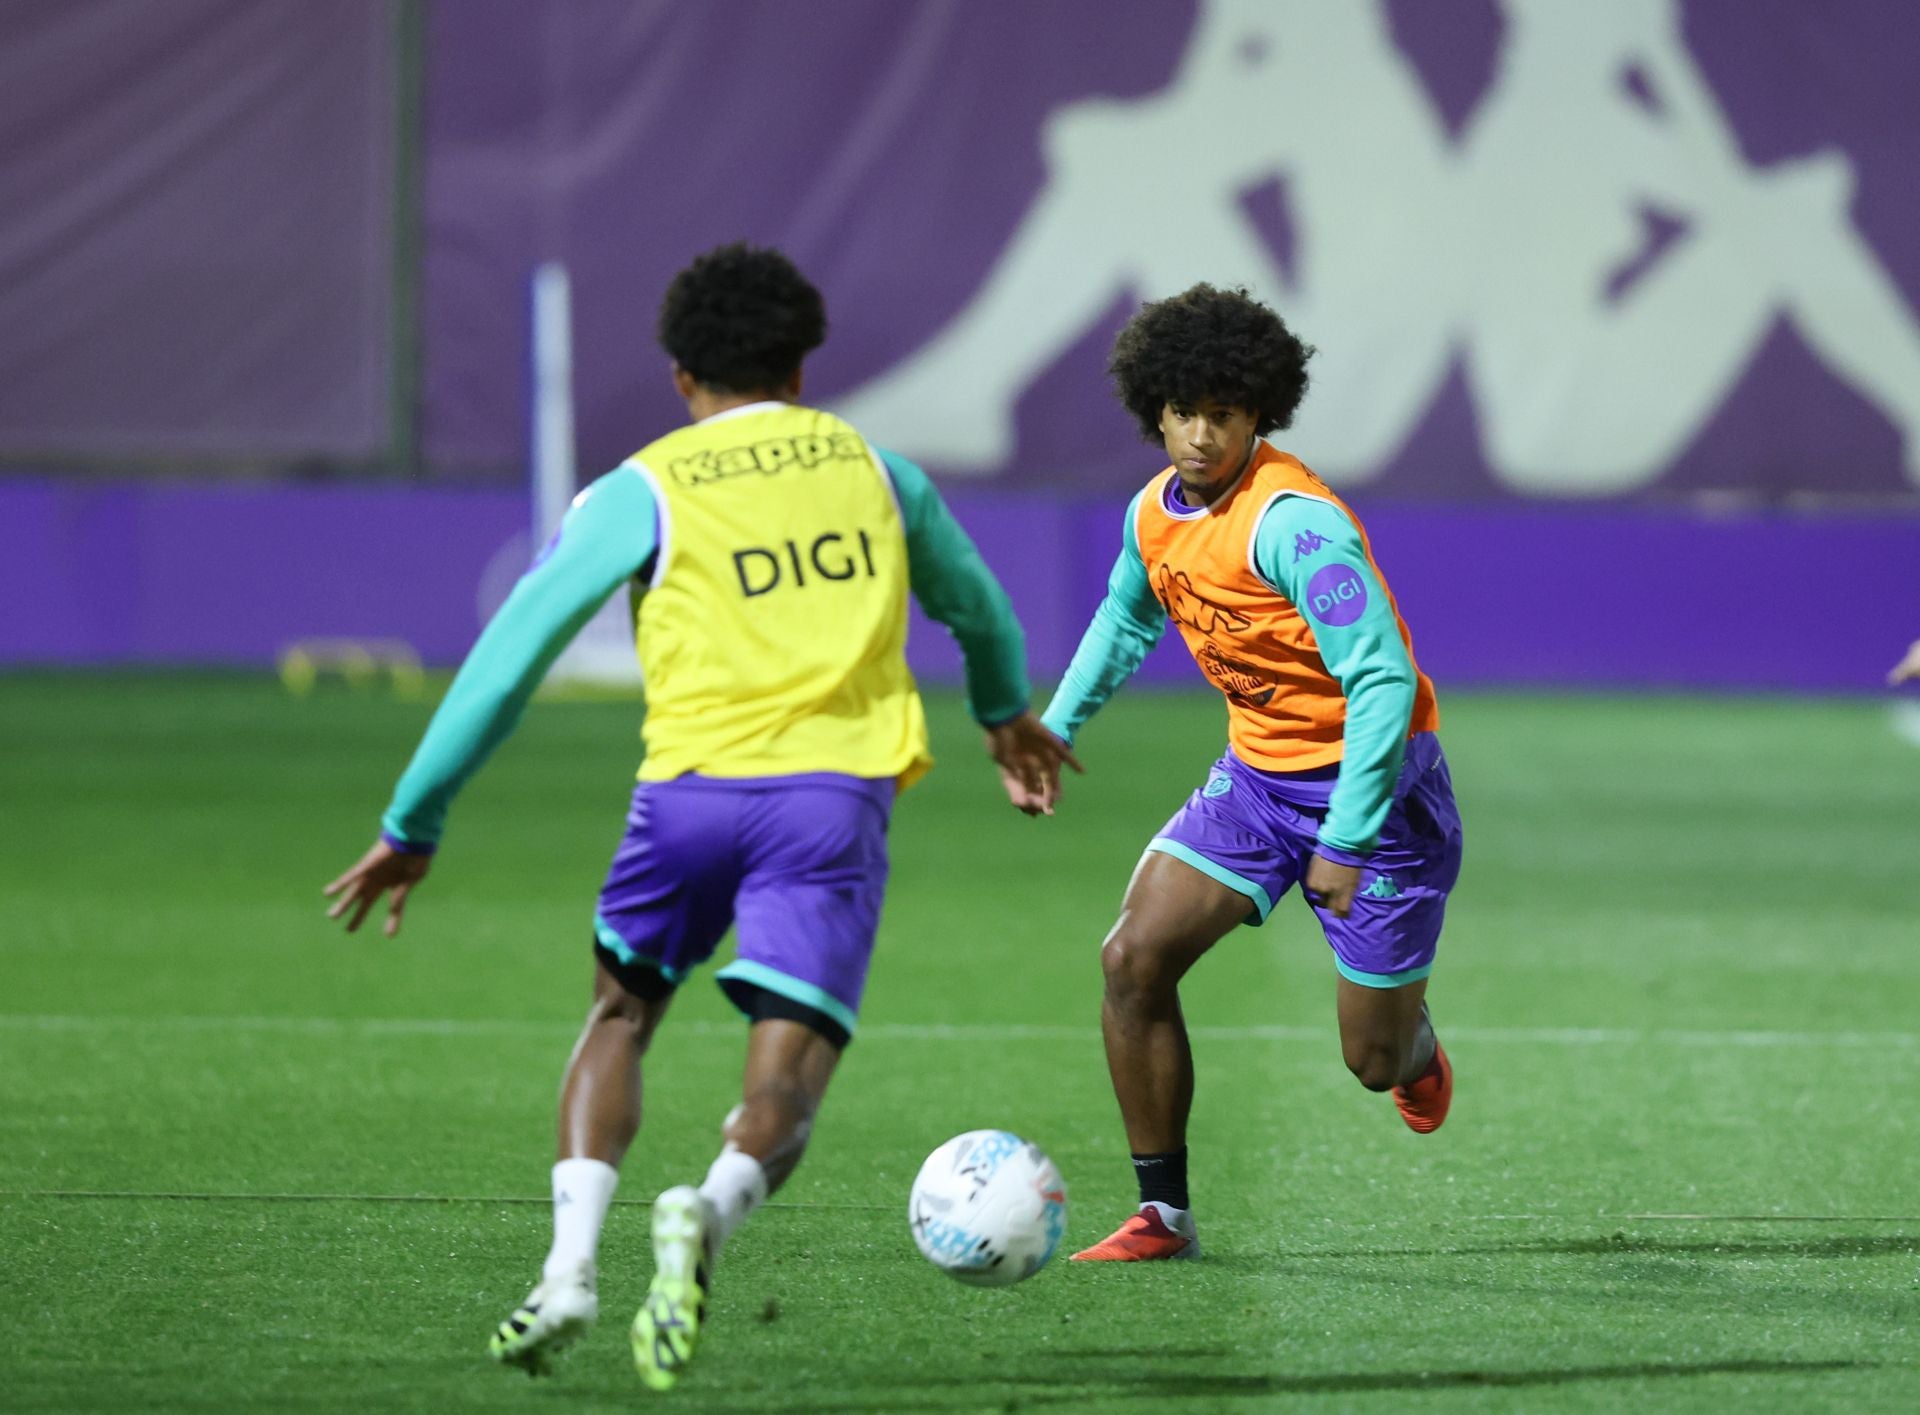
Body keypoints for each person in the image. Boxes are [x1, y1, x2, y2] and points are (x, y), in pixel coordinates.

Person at [322, 243, 1073, 1386]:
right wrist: (1004, 715)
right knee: (786, 1079)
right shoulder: (879, 473)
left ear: (683, 375)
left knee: (618, 1018)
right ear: (802, 365)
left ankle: (570, 1266)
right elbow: (980, 611)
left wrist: (412, 821)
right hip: (828, 808)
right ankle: (707, 1210)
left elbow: (507, 658)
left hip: (681, 802)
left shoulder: (644, 487)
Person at [1007, 283, 1464, 1261]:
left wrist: (1344, 834)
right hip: (1257, 784)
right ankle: (1161, 1213)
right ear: (1154, 411)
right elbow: (1130, 618)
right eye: (1183, 412)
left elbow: (1383, 677)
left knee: (1371, 1059)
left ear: (1260, 412)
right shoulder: (1155, 514)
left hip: (1374, 795)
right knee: (1131, 959)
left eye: (1223, 413)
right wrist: (1055, 725)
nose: (1202, 434)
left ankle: (1415, 1045)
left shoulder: (1295, 524)